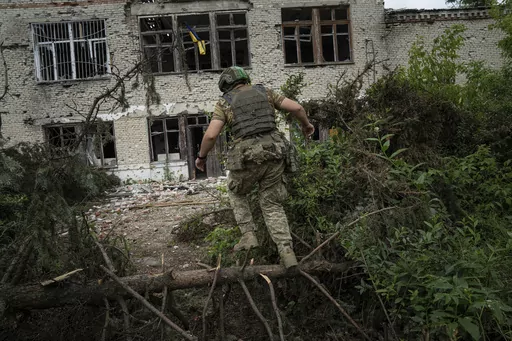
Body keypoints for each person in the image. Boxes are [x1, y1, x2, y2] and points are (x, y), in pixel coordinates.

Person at [195, 66, 314, 268]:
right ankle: (287, 252)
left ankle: (249, 235)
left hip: (248, 158)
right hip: (275, 155)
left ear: (225, 85)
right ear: (245, 78)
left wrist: (201, 157)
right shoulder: (265, 92)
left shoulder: (224, 102)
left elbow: (211, 135)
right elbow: (297, 108)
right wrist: (306, 125)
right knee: (271, 203)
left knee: (236, 191)